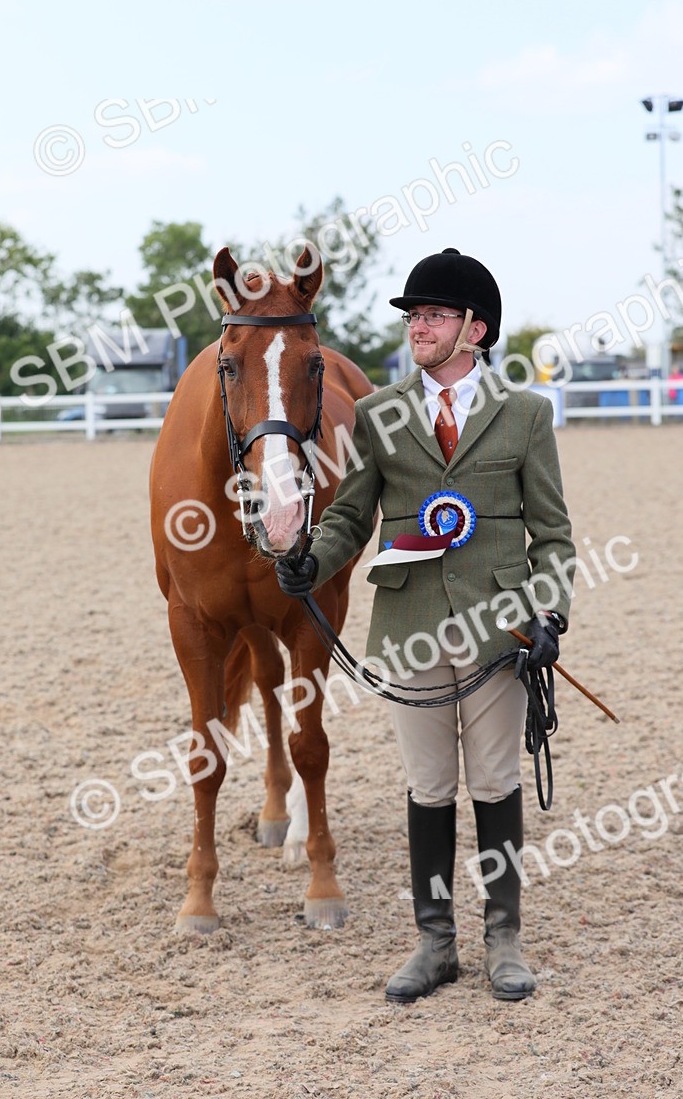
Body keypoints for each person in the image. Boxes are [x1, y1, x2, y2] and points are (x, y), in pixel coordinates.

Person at [276, 248, 575, 1004]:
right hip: (410, 622)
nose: (419, 326)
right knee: (429, 786)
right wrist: (314, 560)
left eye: (435, 315)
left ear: (476, 329)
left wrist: (550, 611)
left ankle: (503, 937)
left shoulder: (525, 415)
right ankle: (434, 940)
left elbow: (552, 535)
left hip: (500, 628)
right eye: (414, 315)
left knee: (496, 780)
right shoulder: (379, 415)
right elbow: (351, 516)